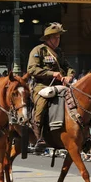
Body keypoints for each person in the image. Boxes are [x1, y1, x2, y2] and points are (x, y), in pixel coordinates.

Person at [27, 22, 75, 151]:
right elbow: (32, 69)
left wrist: (69, 76)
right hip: (42, 86)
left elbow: (69, 67)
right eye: (55, 37)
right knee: (41, 105)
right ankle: (39, 136)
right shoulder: (38, 50)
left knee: (76, 102)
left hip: (60, 86)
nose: (57, 40)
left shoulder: (59, 52)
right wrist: (52, 74)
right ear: (48, 38)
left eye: (59, 37)